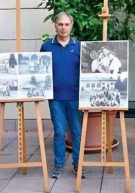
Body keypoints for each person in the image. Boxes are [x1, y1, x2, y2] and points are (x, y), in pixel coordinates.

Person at [40, 12, 86, 179]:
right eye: (60, 24)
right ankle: (58, 165)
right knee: (59, 132)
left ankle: (78, 165)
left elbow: (85, 72)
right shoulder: (46, 46)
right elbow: (40, 72)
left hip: (75, 98)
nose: (64, 28)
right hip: (56, 98)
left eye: (67, 24)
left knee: (77, 132)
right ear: (55, 25)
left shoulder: (79, 46)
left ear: (71, 26)